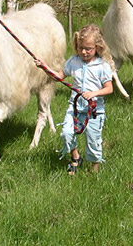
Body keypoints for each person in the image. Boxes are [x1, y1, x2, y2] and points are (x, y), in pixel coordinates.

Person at [36, 24, 113, 174]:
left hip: (94, 110)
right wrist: (45, 67)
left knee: (93, 141)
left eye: (88, 49)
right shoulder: (73, 61)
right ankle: (76, 158)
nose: (83, 52)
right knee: (66, 133)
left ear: (97, 47)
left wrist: (94, 93)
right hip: (75, 107)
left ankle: (94, 172)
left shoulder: (102, 66)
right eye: (80, 48)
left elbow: (109, 88)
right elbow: (59, 77)